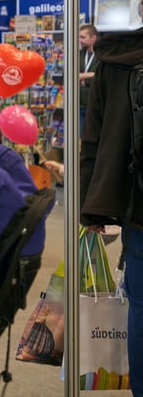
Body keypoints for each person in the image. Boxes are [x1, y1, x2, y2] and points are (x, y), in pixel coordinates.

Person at [80, 26, 143, 396]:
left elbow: (94, 136)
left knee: (141, 311)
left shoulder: (114, 59)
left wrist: (93, 204)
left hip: (136, 208)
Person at [79, 24, 99, 132]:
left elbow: (101, 76)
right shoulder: (79, 54)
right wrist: (91, 74)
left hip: (94, 103)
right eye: (79, 37)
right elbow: (71, 74)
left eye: (83, 37)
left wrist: (83, 79)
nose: (80, 40)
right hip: (78, 102)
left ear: (93, 38)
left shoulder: (102, 55)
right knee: (79, 135)